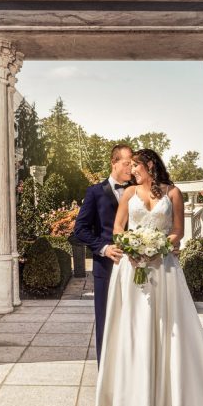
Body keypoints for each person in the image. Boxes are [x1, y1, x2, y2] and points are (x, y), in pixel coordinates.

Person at [94, 148, 203, 406]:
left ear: (150, 165)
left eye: (136, 166)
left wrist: (161, 246)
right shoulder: (129, 194)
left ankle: (172, 393)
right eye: (129, 167)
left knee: (170, 326)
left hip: (163, 267)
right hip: (132, 269)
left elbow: (178, 230)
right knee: (135, 325)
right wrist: (131, 247)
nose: (132, 171)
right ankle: (134, 394)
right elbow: (119, 228)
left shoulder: (173, 193)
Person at [71, 144, 133, 363]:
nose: (131, 168)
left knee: (134, 321)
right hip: (106, 268)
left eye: (133, 164)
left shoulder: (138, 190)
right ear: (113, 162)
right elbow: (79, 231)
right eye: (127, 163)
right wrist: (104, 248)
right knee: (106, 321)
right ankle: (105, 373)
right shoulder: (95, 192)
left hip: (137, 267)